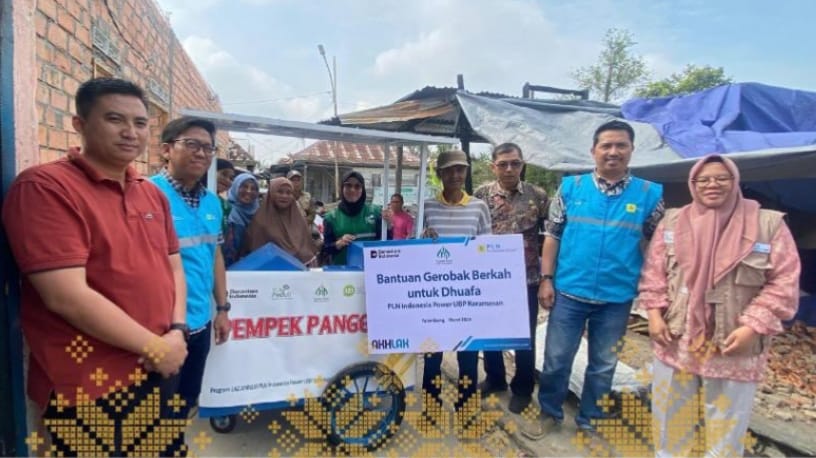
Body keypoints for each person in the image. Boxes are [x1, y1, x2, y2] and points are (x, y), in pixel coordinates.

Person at [2, 78, 187, 455]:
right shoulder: (45, 187)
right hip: (91, 385)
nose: (130, 132)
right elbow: (66, 296)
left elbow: (174, 268)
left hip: (158, 366)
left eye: (140, 123)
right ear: (79, 124)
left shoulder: (151, 193)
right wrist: (156, 347)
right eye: (115, 119)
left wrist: (178, 331)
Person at [638, 155, 800, 457]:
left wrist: (753, 326)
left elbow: (785, 282)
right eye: (703, 179)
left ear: (735, 181)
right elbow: (654, 273)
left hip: (733, 340)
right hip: (677, 336)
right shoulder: (673, 221)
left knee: (727, 422)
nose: (712, 184)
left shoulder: (767, 225)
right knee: (672, 414)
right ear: (693, 184)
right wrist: (654, 315)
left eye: (721, 178)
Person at [529, 120, 664, 439]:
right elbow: (552, 236)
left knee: (604, 364)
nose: (613, 152)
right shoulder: (571, 188)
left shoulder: (650, 194)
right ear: (594, 151)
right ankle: (549, 413)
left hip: (617, 297)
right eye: (606, 145)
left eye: (621, 145)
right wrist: (547, 278)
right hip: (569, 291)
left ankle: (590, 420)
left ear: (631, 150)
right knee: (556, 359)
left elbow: (656, 247)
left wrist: (652, 289)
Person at [152, 117, 231, 419]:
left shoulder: (212, 202)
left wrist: (222, 309)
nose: (201, 153)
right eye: (191, 144)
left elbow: (215, 255)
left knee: (186, 402)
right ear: (166, 150)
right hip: (160, 327)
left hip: (200, 322)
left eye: (208, 148)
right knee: (154, 412)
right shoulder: (146, 194)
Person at [473, 142, 548, 414]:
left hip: (526, 280)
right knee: (489, 332)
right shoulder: (481, 195)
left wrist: (548, 277)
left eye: (515, 163)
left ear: (522, 165)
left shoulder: (538, 196)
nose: (509, 169)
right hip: (490, 279)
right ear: (493, 166)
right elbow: (473, 233)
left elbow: (549, 237)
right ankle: (495, 378)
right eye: (503, 164)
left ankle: (523, 388)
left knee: (524, 337)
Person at [421, 149, 492, 411]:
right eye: (449, 170)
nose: (455, 175)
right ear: (440, 174)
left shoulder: (479, 207)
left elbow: (487, 249)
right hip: (433, 294)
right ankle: (431, 404)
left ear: (466, 172)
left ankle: (466, 406)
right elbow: (413, 248)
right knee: (432, 356)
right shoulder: (427, 206)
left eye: (460, 169)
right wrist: (422, 238)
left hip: (467, 294)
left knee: (468, 356)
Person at [242, 177, 319, 266]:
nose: (284, 196)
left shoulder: (300, 220)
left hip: (299, 270)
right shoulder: (260, 222)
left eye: (288, 193)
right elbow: (255, 255)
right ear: (271, 193)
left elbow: (308, 250)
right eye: (280, 192)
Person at [322, 171, 383, 265]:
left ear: (362, 189)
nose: (352, 190)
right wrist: (339, 243)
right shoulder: (331, 217)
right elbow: (326, 248)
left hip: (369, 269)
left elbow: (386, 241)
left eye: (357, 186)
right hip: (343, 270)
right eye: (348, 185)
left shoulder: (375, 212)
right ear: (342, 188)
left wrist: (389, 225)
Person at [222, 173, 261, 267]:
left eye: (253, 189)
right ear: (235, 187)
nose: (249, 191)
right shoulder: (227, 212)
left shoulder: (259, 213)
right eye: (244, 186)